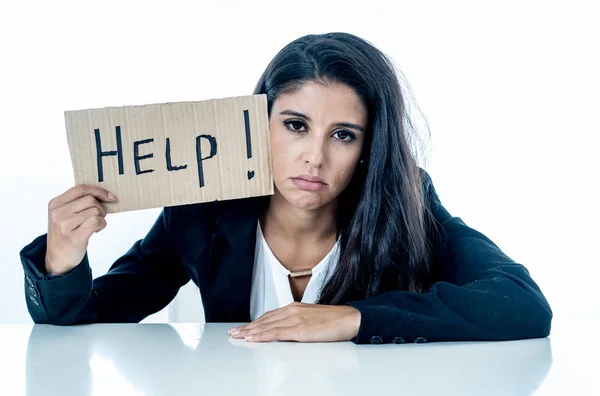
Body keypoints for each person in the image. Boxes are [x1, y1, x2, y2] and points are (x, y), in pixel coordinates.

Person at [19, 32, 552, 345]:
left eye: (342, 135)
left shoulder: (405, 200)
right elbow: (83, 320)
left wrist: (352, 319)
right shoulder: (205, 208)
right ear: (259, 124)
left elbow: (522, 304)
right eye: (295, 125)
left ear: (368, 147)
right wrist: (63, 258)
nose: (314, 157)